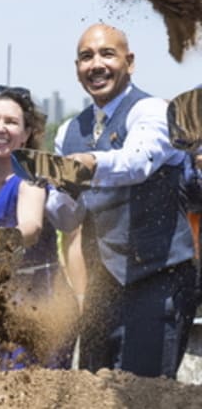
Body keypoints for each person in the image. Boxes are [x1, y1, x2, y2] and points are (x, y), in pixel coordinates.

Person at [49, 23, 197, 378]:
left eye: (107, 54)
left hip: (157, 280)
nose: (96, 64)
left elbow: (138, 162)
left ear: (129, 62)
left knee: (146, 393)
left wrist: (91, 164)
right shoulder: (69, 131)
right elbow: (66, 219)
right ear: (77, 68)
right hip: (103, 287)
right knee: (96, 387)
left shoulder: (152, 112)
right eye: (86, 57)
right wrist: (64, 190)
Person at [0, 85, 75, 369]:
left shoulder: (31, 178)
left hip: (43, 304)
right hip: (3, 303)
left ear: (27, 134)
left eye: (11, 122)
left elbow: (31, 228)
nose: (0, 128)